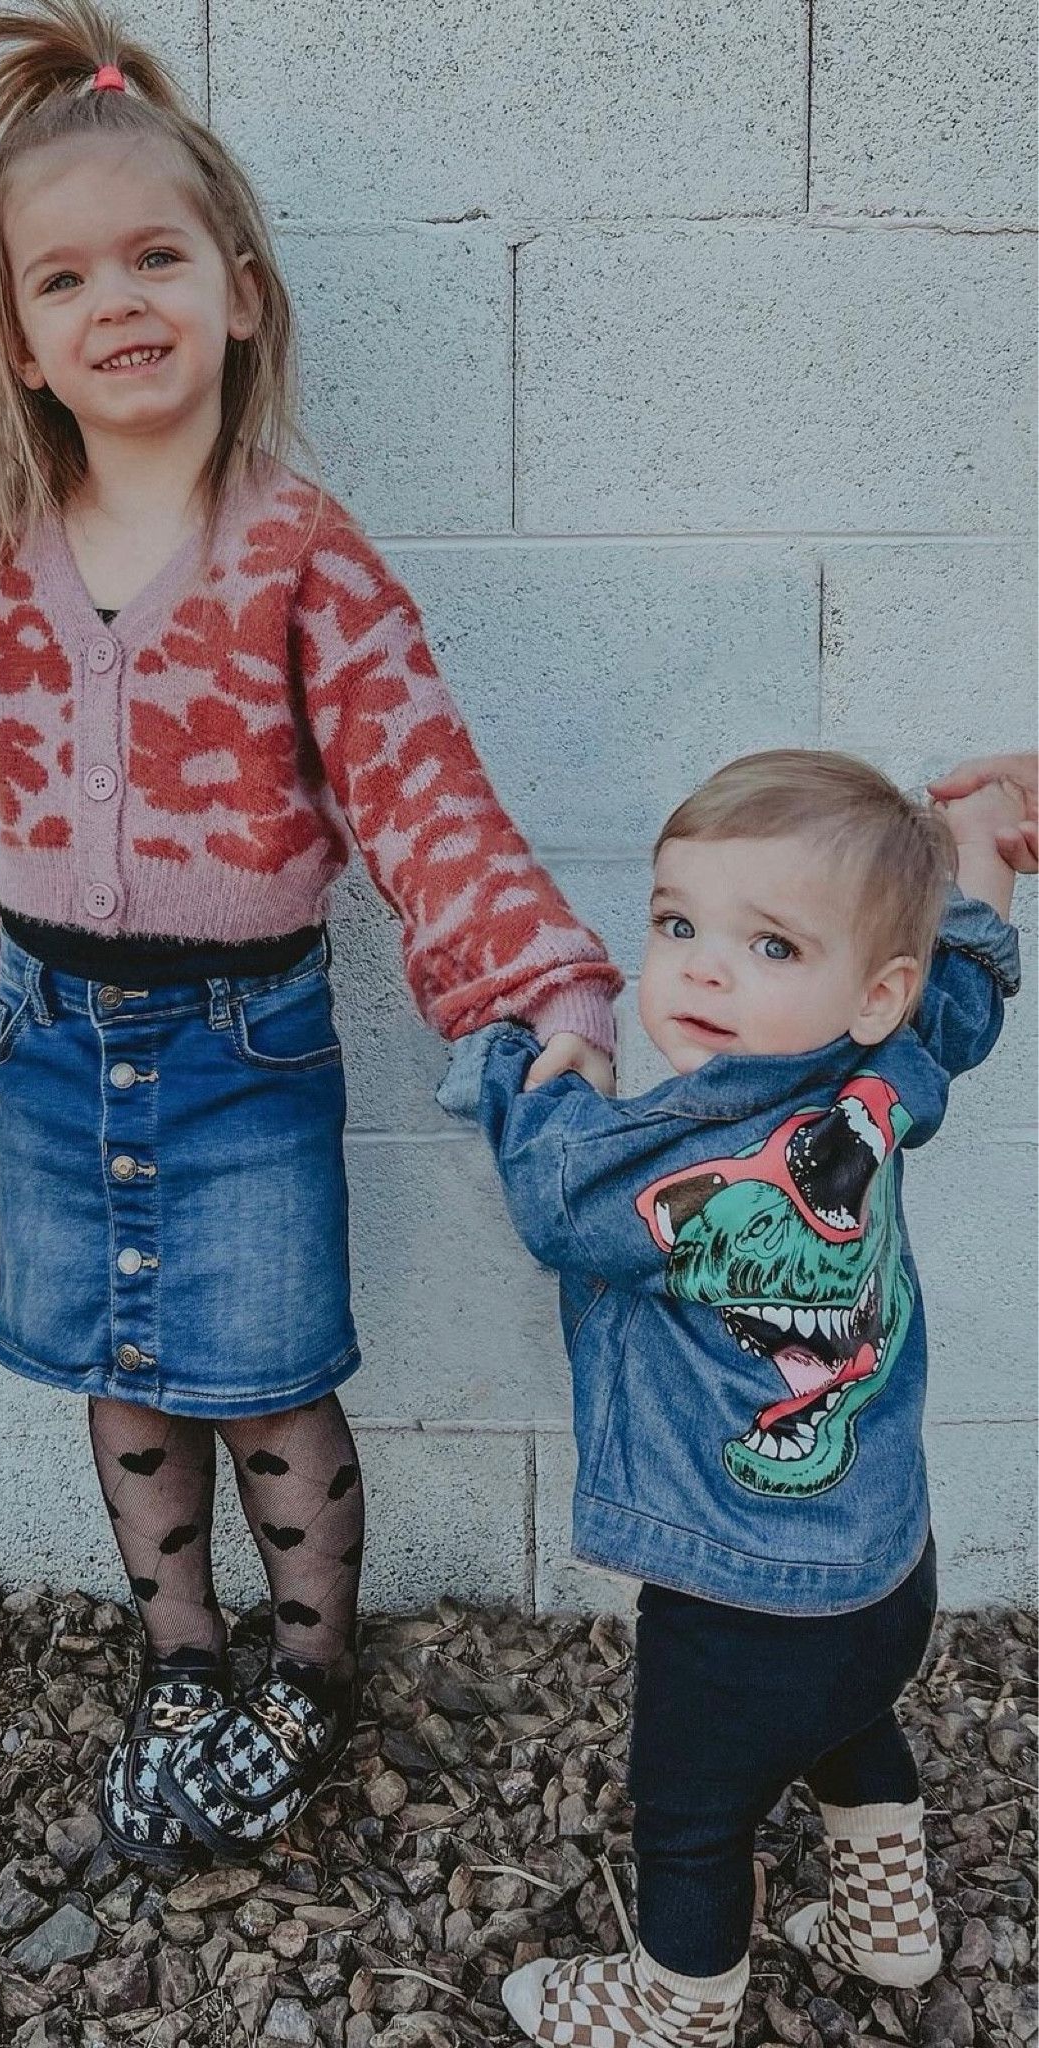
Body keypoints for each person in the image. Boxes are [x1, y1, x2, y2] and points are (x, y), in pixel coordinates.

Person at [0, 0, 620, 1868]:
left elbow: (420, 793)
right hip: (58, 1044)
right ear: (18, 343)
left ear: (239, 289)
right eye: (61, 278)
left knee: (264, 1375)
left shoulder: (306, 554)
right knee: (122, 1371)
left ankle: (311, 1667)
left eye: (154, 256)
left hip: (240, 1047)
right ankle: (183, 1658)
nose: (114, 299)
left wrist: (541, 982)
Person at [438, 749, 1025, 2047]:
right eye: (675, 924)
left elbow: (550, 1186)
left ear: (870, 988)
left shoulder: (665, 1158)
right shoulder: (884, 1075)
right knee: (850, 1720)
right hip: (882, 1563)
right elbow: (962, 994)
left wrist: (513, 1038)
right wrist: (975, 850)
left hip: (739, 1599)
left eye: (766, 946)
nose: (700, 967)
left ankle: (678, 2001)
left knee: (687, 1812)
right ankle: (888, 1925)